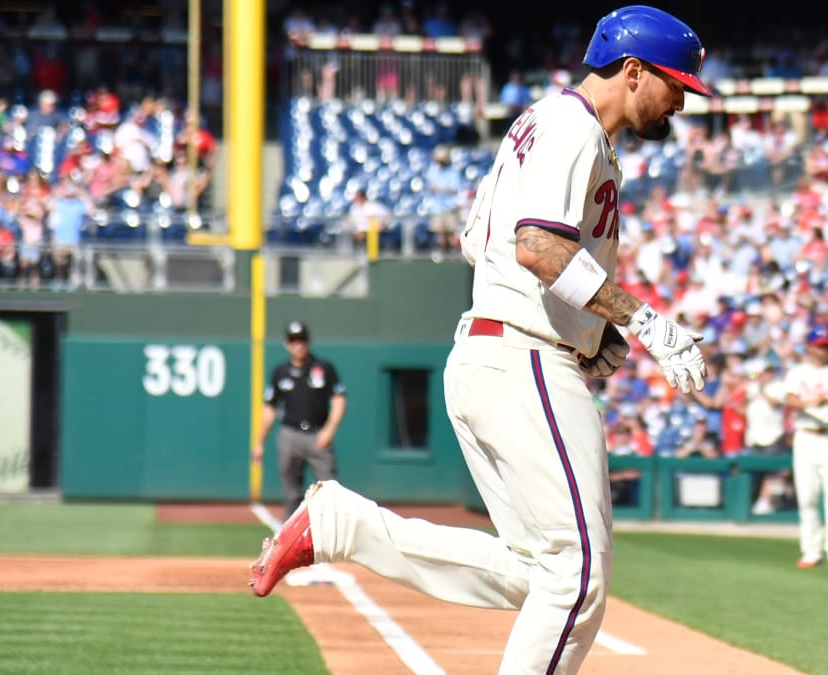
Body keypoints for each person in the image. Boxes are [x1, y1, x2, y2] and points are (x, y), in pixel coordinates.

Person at [249, 6, 710, 673]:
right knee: (577, 575)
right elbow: (536, 246)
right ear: (633, 72)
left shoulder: (543, 126)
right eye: (674, 84)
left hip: (499, 352)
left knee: (539, 571)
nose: (680, 101)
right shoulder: (569, 126)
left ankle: (340, 525)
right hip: (524, 360)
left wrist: (589, 326)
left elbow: (477, 240)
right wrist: (642, 321)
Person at [251, 321, 347, 520]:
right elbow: (270, 408)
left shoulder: (323, 367)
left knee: (330, 490)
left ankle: (333, 539)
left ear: (308, 341)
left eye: (301, 340)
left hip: (317, 434)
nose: (298, 345)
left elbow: (339, 401)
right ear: (287, 343)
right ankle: (294, 543)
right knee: (291, 493)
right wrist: (259, 442)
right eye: (293, 340)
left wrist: (329, 431)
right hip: (290, 434)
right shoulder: (280, 372)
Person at [784, 325, 828, 569]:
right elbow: (789, 398)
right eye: (818, 346)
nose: (822, 351)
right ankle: (811, 551)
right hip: (805, 435)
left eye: (825, 346)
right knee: (807, 497)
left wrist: (827, 398)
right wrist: (807, 402)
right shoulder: (798, 372)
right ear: (809, 347)